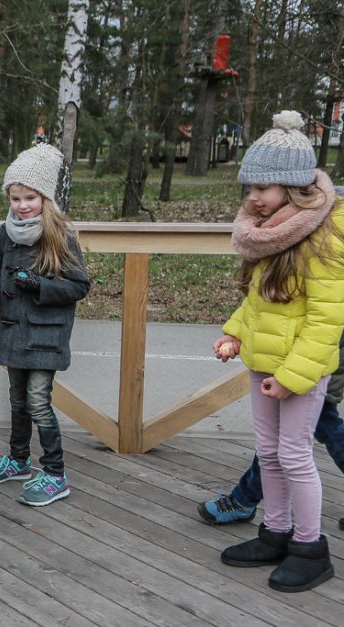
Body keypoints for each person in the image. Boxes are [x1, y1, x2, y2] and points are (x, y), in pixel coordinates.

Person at [213, 111, 343, 593]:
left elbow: (326, 320)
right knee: (268, 451)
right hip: (264, 362)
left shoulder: (327, 235)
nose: (252, 197)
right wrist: (236, 335)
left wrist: (293, 375)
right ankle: (277, 532)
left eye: (263, 188)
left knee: (294, 454)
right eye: (250, 186)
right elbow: (259, 302)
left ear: (293, 188)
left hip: (299, 373)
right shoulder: (272, 231)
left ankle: (310, 548)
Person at [0, 144, 91, 506]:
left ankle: (55, 473)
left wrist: (39, 285)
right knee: (17, 400)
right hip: (11, 329)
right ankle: (19, 460)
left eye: (30, 197)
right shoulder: (4, 233)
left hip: (45, 335)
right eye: (16, 197)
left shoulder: (60, 234)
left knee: (38, 401)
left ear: (44, 197)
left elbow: (79, 285)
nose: (22, 205)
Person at [198, 349, 344, 530]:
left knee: (296, 443)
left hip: (311, 364)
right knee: (309, 432)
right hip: (303, 362)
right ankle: (245, 500)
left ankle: (244, 500)